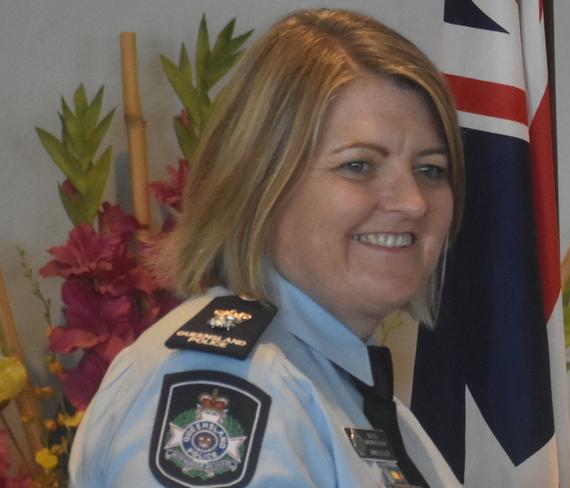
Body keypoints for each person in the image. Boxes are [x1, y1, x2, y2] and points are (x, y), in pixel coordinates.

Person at [69, 8, 464, 488]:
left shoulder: (335, 386)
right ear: (260, 183)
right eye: (359, 166)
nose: (412, 202)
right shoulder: (229, 388)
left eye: (431, 169)